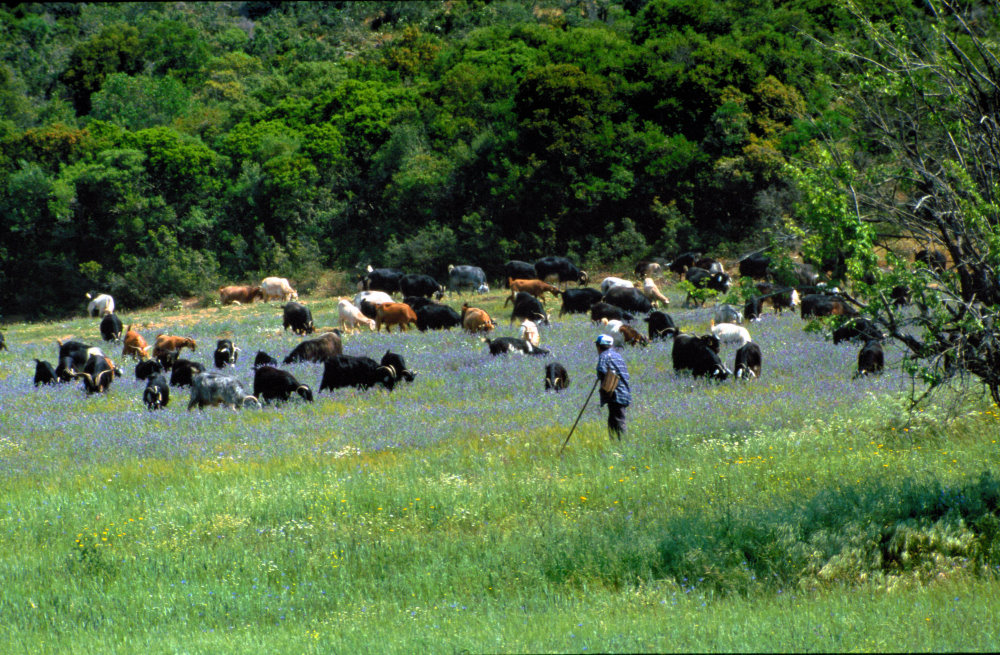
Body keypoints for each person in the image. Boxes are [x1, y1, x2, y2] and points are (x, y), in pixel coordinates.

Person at [595, 334, 631, 440]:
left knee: (618, 421)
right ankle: (615, 443)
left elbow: (601, 370)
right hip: (624, 393)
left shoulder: (604, 356)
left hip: (615, 394)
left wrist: (601, 377)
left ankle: (622, 445)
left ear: (599, 346)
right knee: (614, 420)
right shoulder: (617, 355)